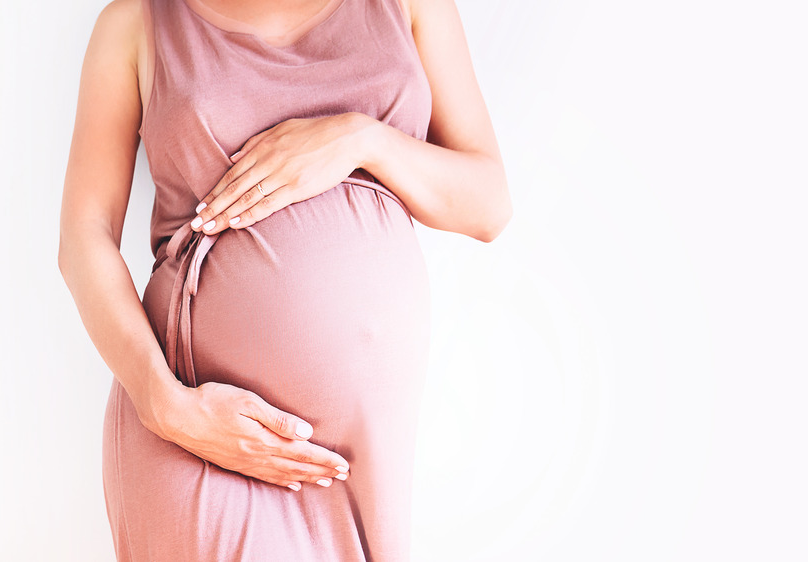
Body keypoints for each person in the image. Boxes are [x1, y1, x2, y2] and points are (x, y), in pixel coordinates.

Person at [58, 0, 511, 559]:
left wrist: (358, 139)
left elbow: (489, 204)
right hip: (201, 429)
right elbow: (84, 237)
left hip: (363, 458)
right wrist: (164, 404)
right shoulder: (135, 23)